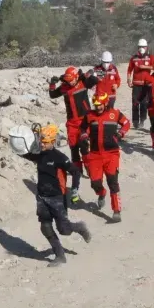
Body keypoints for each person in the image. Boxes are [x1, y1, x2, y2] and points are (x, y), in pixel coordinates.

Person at [19, 123, 91, 265]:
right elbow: (27, 155)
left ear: (53, 141)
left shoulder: (59, 157)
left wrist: (75, 189)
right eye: (41, 142)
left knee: (64, 229)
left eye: (45, 142)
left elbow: (75, 171)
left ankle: (79, 227)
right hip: (41, 196)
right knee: (45, 227)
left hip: (57, 197)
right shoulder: (39, 155)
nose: (43, 145)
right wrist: (17, 146)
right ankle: (60, 256)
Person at [77, 93, 130, 223]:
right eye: (96, 105)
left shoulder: (115, 113)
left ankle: (116, 211)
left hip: (111, 154)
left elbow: (126, 123)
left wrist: (121, 133)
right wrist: (83, 136)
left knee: (113, 181)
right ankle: (101, 193)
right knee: (95, 183)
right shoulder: (89, 115)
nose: (98, 107)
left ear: (106, 103)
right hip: (95, 155)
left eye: (100, 105)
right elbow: (83, 128)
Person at [47, 66, 91, 204]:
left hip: (84, 120)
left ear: (76, 77)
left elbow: (93, 79)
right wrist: (52, 84)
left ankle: (89, 167)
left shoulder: (83, 83)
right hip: (71, 123)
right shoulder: (65, 87)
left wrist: (84, 75)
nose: (71, 82)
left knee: (84, 146)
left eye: (72, 80)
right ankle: (77, 172)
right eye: (68, 80)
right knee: (73, 148)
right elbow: (53, 95)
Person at [126, 38, 154, 127]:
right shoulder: (134, 58)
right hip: (136, 84)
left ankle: (142, 120)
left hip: (146, 84)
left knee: (144, 103)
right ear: (138, 47)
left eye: (143, 47)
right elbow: (129, 70)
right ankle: (135, 121)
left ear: (146, 47)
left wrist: (145, 67)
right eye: (140, 47)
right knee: (135, 102)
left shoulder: (150, 57)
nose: (142, 48)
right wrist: (128, 80)